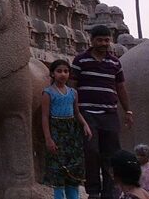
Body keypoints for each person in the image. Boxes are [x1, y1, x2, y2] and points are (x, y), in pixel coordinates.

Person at [70, 25, 133, 199]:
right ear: (92, 41)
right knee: (91, 152)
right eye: (100, 40)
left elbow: (120, 88)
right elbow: (72, 86)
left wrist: (128, 110)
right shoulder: (81, 60)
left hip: (109, 114)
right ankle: (93, 191)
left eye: (107, 40)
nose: (104, 43)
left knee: (111, 154)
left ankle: (110, 191)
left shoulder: (115, 63)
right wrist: (73, 111)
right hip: (87, 113)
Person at [42, 59, 92, 199]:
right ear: (52, 74)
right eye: (59, 71)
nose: (63, 74)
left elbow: (76, 112)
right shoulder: (48, 93)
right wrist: (48, 138)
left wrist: (85, 124)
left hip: (72, 133)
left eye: (66, 71)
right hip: (56, 132)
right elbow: (45, 117)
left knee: (73, 168)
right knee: (58, 168)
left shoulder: (73, 93)